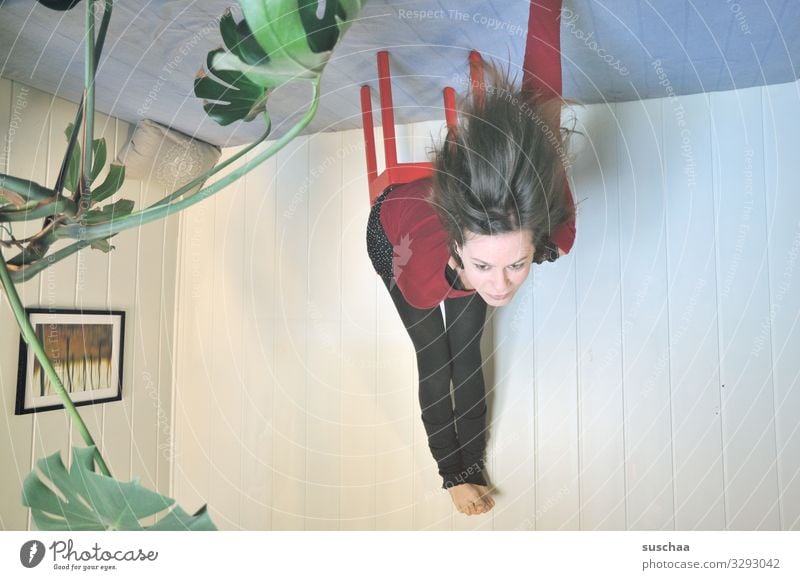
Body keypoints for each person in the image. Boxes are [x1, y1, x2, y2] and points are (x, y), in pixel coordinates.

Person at [365, 60, 576, 516]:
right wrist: (453, 474)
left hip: (454, 217)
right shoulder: (423, 278)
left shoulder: (545, 241)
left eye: (517, 264)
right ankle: (452, 475)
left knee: (468, 352)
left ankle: (471, 468)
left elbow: (545, 130)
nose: (499, 288)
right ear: (458, 252)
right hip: (390, 231)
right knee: (437, 356)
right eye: (484, 266)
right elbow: (437, 369)